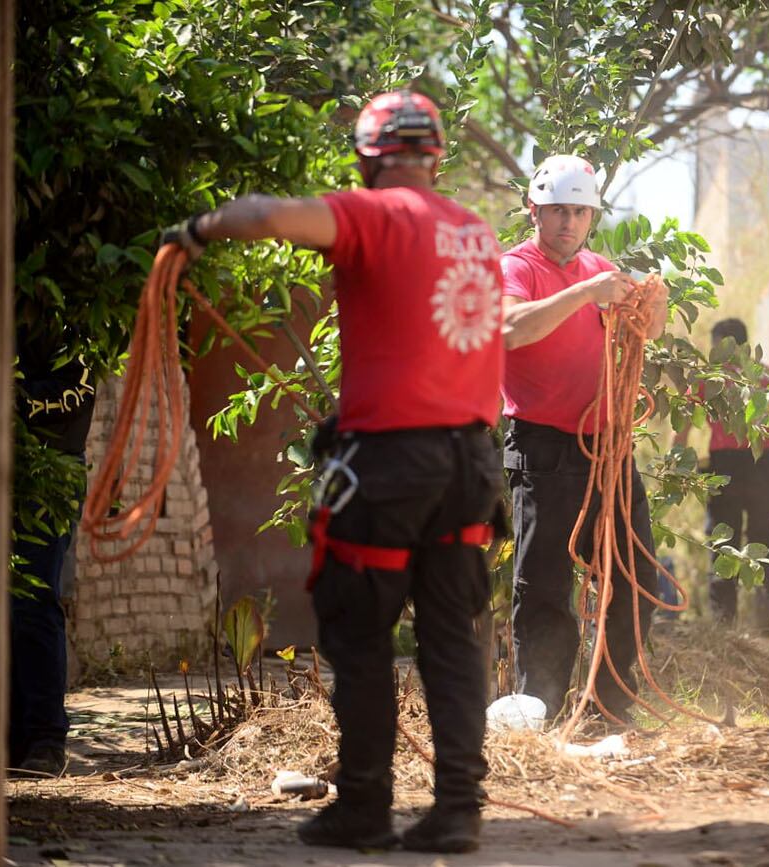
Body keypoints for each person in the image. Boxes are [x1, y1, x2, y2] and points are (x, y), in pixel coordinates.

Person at [163, 90, 504, 854]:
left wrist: (199, 228)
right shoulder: (475, 231)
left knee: (360, 632)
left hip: (392, 463)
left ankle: (366, 806)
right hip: (469, 464)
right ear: (435, 154)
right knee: (452, 635)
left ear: (367, 156)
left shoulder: (375, 214)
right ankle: (458, 811)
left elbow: (267, 217)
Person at [499, 154, 667, 723]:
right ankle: (540, 713)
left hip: (607, 447)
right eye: (557, 212)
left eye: (578, 212)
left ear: (591, 215)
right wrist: (584, 294)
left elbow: (641, 332)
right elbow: (512, 330)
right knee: (544, 584)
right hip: (543, 448)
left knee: (634, 578)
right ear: (534, 211)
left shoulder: (599, 269)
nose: (568, 223)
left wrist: (654, 309)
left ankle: (610, 710)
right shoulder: (515, 268)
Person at [9, 333, 96, 777]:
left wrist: (8, 397)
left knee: (32, 601)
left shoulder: (69, 321)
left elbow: (76, 391)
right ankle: (11, 739)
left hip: (49, 479)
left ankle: (46, 739)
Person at [686, 317, 769, 634]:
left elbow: (682, 426)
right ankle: (763, 623)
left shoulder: (710, 381)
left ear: (726, 344)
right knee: (763, 539)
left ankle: (725, 629)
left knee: (724, 543)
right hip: (763, 468)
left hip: (725, 469)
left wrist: (678, 465)